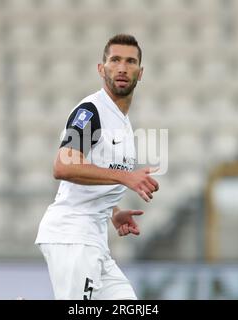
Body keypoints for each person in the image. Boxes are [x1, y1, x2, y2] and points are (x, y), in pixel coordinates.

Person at [35, 34, 159, 300]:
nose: (123, 68)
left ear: (141, 72)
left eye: (130, 61)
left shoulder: (122, 120)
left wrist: (113, 211)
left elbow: (95, 172)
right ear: (101, 69)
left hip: (96, 241)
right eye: (115, 60)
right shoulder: (92, 111)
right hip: (73, 237)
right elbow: (63, 165)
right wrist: (125, 177)